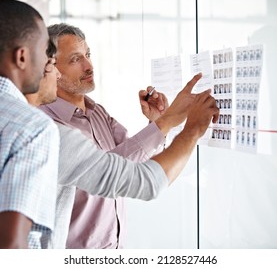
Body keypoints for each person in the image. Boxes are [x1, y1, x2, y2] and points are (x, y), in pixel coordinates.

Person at [26, 39, 219, 248]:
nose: (89, 66)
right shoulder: (48, 127)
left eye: (88, 54)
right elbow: (130, 178)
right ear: (52, 67)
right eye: (75, 59)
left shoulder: (97, 111)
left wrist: (156, 123)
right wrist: (184, 126)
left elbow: (131, 164)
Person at [0, 0, 60, 249]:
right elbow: (11, 243)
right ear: (22, 56)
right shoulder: (33, 128)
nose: (48, 63)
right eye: (44, 50)